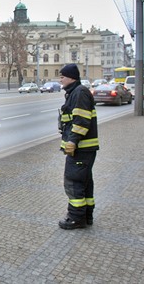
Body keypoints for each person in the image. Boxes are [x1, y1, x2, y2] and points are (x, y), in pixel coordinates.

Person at [57, 63, 99, 230]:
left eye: (62, 76)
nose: (60, 79)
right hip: (84, 149)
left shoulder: (79, 93)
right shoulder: (75, 92)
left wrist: (72, 141)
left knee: (73, 182)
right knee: (85, 182)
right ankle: (86, 215)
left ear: (71, 78)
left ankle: (76, 218)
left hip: (80, 148)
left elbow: (81, 121)